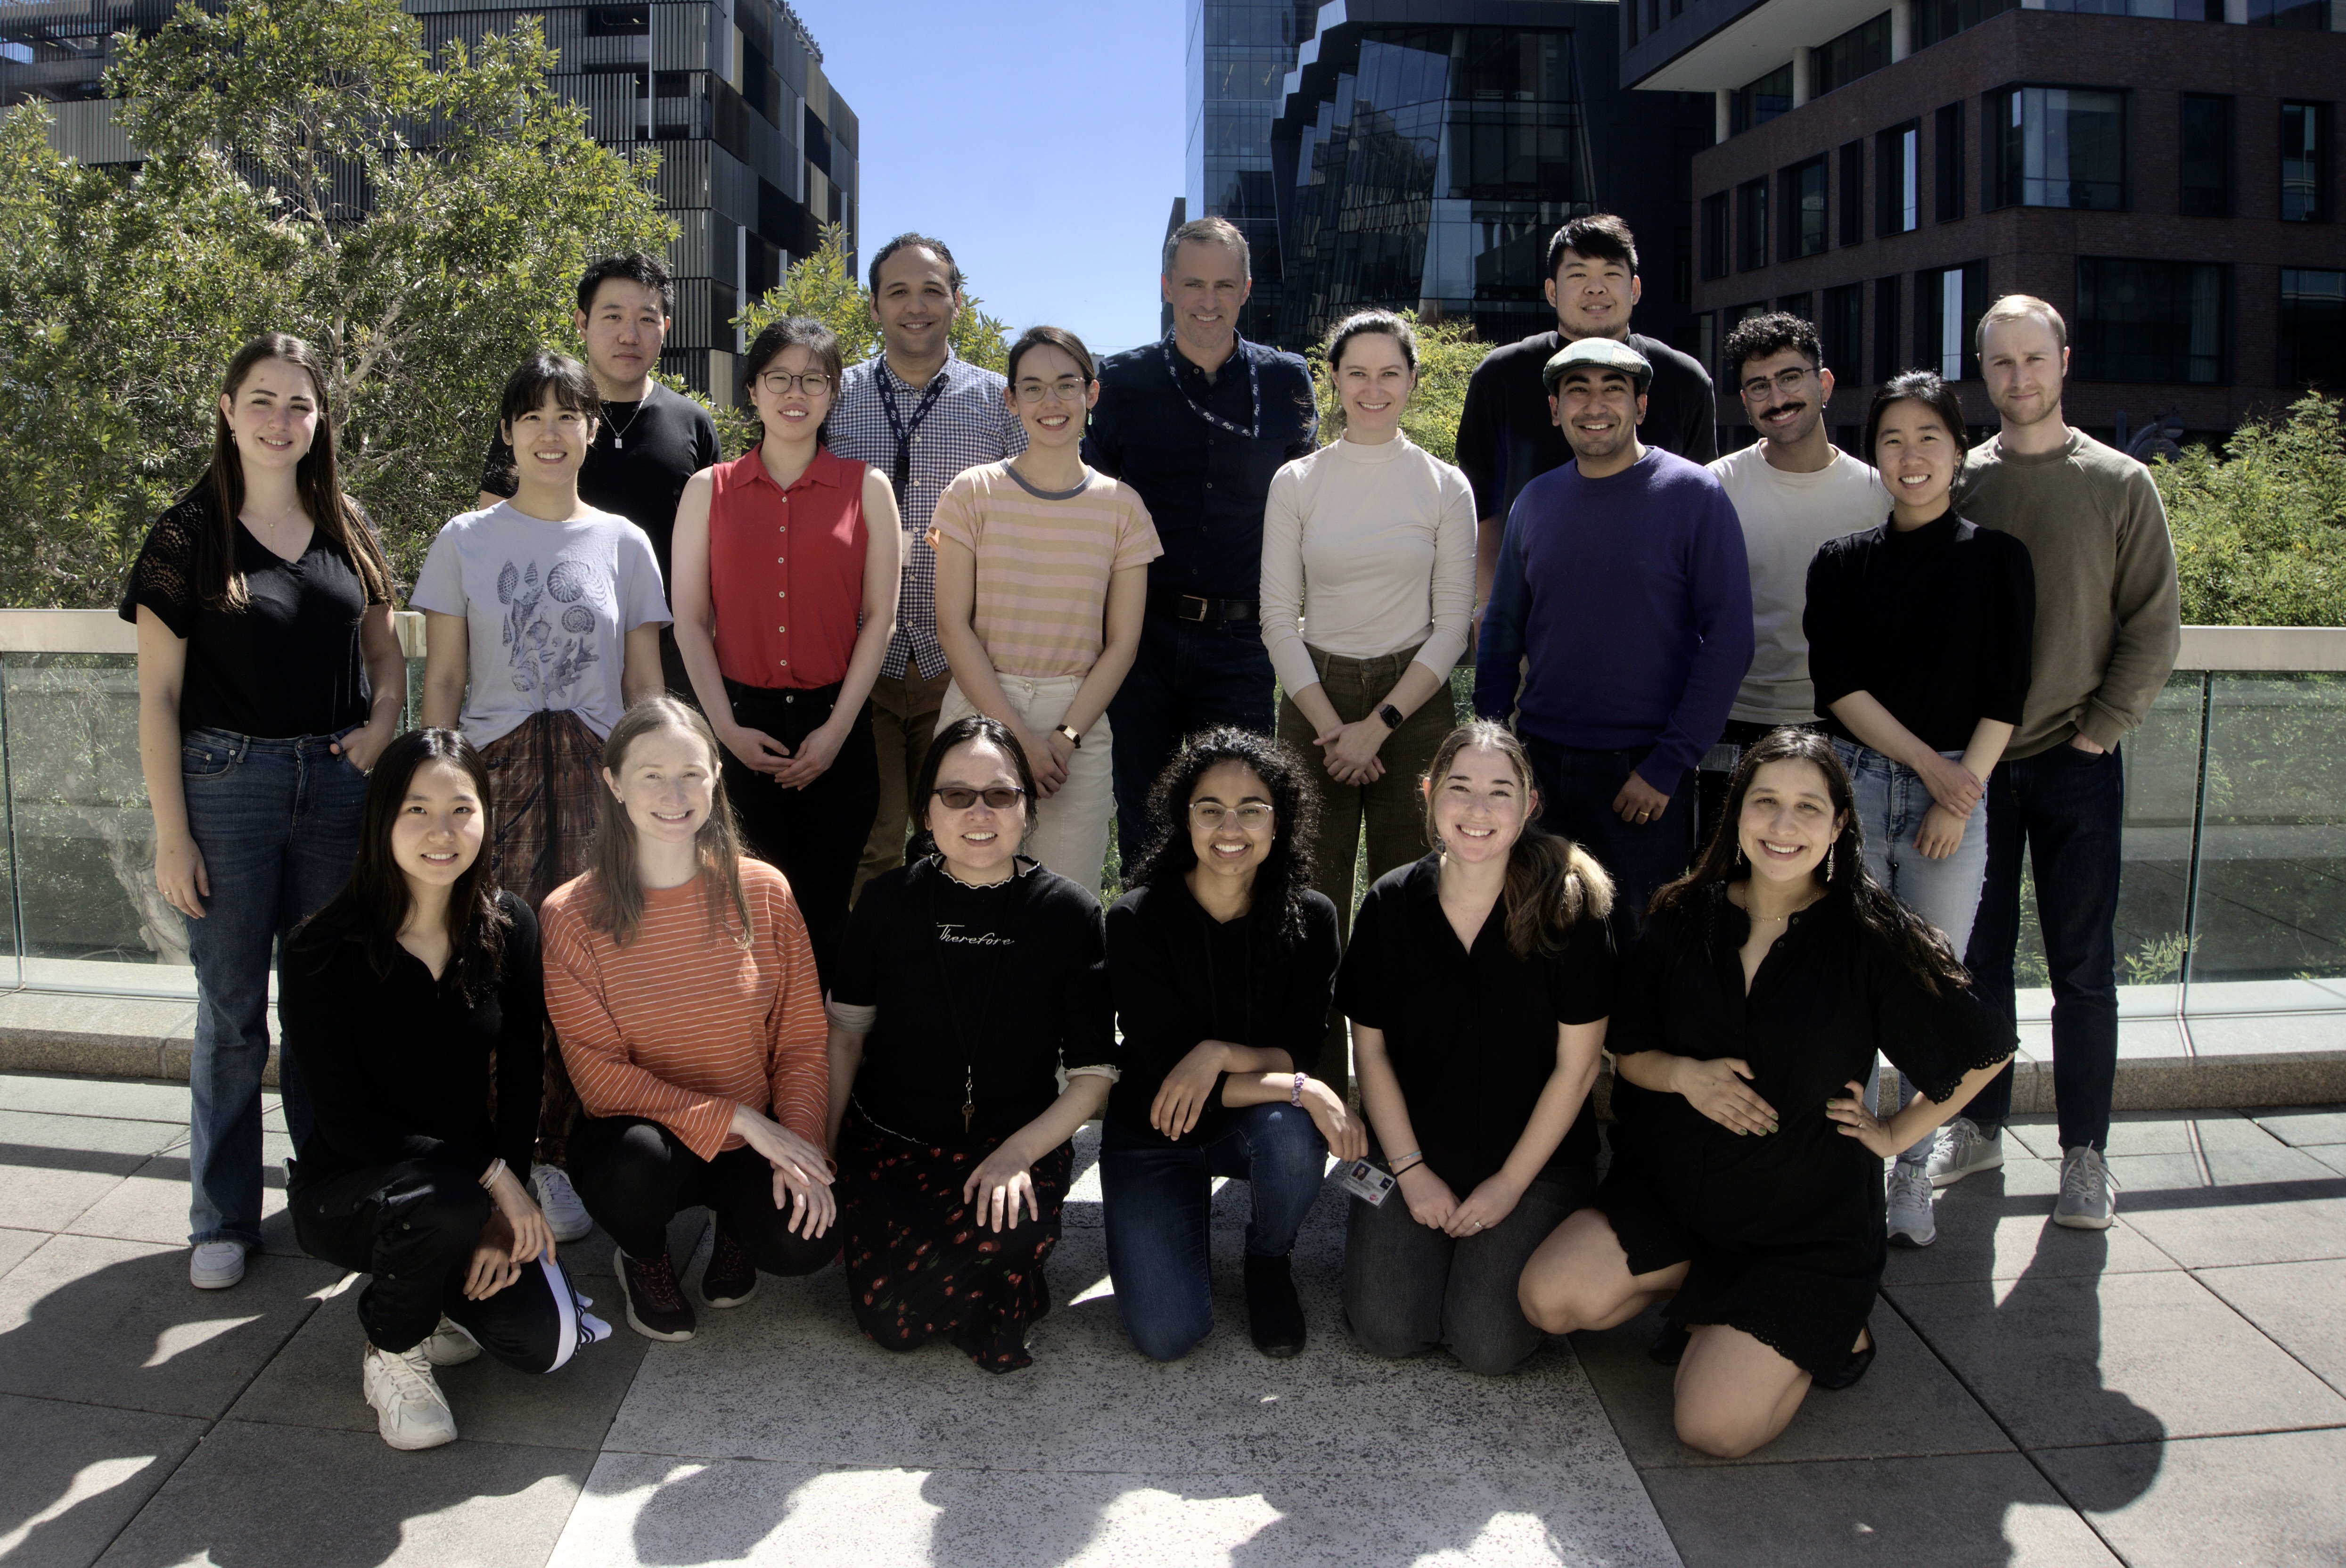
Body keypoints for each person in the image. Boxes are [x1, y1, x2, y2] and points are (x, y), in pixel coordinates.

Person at [1517, 730, 2011, 1458]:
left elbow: (1986, 1049)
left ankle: (1834, 1325)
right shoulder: (1684, 914)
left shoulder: (1867, 934)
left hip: (1802, 1228)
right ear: (1736, 813)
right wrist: (1688, 1075)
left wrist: (1894, 1134)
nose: (1784, 826)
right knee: (1548, 1298)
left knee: (1711, 1427)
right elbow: (1629, 1051)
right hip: (1677, 1197)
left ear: (1839, 824)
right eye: (1766, 803)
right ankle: (1708, 1296)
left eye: (1808, 808)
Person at [123, 332, 405, 1291]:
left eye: (300, 405)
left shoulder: (345, 521)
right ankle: (224, 1216)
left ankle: (331, 1197)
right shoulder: (184, 535)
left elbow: (388, 652)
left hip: (336, 786)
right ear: (227, 410)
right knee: (234, 1011)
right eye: (263, 400)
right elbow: (157, 697)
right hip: (226, 789)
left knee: (328, 1003)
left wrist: (383, 726)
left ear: (319, 422)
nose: (282, 420)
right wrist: (172, 832)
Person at [282, 728, 607, 1451]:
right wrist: (495, 1181)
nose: (442, 831)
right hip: (353, 1187)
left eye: (461, 808)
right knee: (444, 1203)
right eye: (417, 809)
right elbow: (347, 1125)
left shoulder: (508, 924)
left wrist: (506, 1204)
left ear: (486, 817)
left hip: (465, 1191)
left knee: (545, 1341)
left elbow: (525, 1078)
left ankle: (436, 1295)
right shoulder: (317, 948)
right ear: (381, 821)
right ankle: (391, 1345)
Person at [1933, 296, 2182, 1229]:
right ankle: (1980, 1126)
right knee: (1977, 960)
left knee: (2081, 965)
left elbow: (2152, 624)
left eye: (2032, 359)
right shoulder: (1962, 483)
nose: (2018, 378)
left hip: (2079, 762)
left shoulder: (2119, 483)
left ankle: (2085, 1153)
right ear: (1983, 372)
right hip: (1977, 771)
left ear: (2062, 361)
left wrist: (2101, 727)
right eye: (2000, 364)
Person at [418, 351, 673, 1245]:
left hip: (599, 777)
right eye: (532, 417)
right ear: (507, 432)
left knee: (590, 961)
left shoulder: (624, 542)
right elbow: (443, 678)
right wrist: (433, 798)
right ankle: (496, 1153)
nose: (551, 433)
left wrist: (663, 792)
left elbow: (644, 681)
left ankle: (570, 1153)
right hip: (494, 775)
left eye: (569, 416)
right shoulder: (462, 540)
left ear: (591, 430)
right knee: (493, 959)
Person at [1805, 371, 2035, 1248]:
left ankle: (1910, 1168)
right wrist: (1926, 772)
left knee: (1933, 983)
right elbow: (1839, 690)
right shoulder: (1841, 563)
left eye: (1927, 437)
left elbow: (2004, 692)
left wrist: (1957, 790)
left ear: (1956, 449)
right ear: (1876, 452)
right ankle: (1845, 1165)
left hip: (1959, 793)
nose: (1910, 456)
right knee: (1849, 979)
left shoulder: (1997, 558)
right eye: (1893, 439)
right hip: (1856, 785)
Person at [541, 698, 838, 1343]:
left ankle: (736, 1227)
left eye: (691, 773)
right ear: (614, 781)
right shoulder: (571, 913)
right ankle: (644, 1255)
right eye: (651, 774)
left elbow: (802, 1044)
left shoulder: (763, 890)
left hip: (750, 1140)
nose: (674, 793)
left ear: (715, 778)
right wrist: (739, 1118)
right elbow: (600, 1080)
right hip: (646, 1141)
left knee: (805, 1241)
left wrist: (800, 1148)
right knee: (631, 1167)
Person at [824, 716, 1116, 1372]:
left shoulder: (1068, 914)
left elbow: (1094, 1076)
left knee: (1004, 1228)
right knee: (891, 1322)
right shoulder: (885, 903)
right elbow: (844, 1040)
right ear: (927, 812)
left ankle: (1004, 1267)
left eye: (1000, 794)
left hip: (1011, 1145)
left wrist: (1017, 1153)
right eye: (956, 795)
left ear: (1026, 807)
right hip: (890, 1140)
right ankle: (987, 1281)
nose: (978, 811)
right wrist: (824, 1144)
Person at [1341, 721, 1616, 1376]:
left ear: (1529, 805)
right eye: (1459, 787)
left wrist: (1506, 1187)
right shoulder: (1389, 903)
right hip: (1413, 1149)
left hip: (1533, 1163)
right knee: (1387, 1329)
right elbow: (1369, 1053)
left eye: (1499, 791)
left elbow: (1577, 1072)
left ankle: (1496, 1252)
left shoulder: (1568, 908)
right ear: (1430, 795)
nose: (1477, 810)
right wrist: (1408, 1170)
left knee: (1486, 1341)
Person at [1473, 337, 1754, 949]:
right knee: (1537, 940)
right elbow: (1499, 632)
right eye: (1577, 389)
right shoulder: (1536, 501)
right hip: (1539, 768)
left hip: (1644, 780)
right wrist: (1498, 754)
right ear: (1554, 410)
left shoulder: (1691, 495)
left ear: (1641, 405)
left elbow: (1729, 638)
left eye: (1612, 389)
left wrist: (1667, 764)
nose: (1594, 404)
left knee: (1636, 951)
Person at [1100, 729, 1362, 1362]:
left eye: (1251, 808)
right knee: (1167, 1334)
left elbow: (1294, 1049)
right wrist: (1300, 1085)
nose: (1230, 826)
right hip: (1153, 1125)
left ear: (1279, 820)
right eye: (1209, 807)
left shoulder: (1313, 917)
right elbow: (1169, 1075)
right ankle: (1173, 1209)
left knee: (1290, 1136)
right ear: (1182, 818)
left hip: (1246, 1121)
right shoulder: (1136, 918)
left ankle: (1267, 1257)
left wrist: (1219, 1053)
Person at [669, 317, 902, 983]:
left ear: (833, 394)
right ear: (752, 389)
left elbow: (879, 618)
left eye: (814, 379)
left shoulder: (866, 489)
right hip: (739, 727)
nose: (794, 392)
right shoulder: (706, 490)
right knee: (741, 918)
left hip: (838, 729)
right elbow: (689, 620)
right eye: (779, 377)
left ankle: (824, 1080)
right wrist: (726, 732)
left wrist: (835, 731)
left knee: (827, 920)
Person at [1086, 216, 1320, 863]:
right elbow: (1087, 503)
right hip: (1141, 639)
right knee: (1146, 820)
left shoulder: (1285, 381)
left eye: (1224, 284)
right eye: (1192, 283)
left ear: (1246, 289)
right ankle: (1149, 958)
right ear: (1166, 286)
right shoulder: (1121, 382)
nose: (1208, 300)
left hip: (1242, 642)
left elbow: (1313, 500)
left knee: (1240, 816)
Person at [1260, 309, 1475, 965]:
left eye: (1388, 373)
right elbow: (1276, 618)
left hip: (1412, 704)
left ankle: (1397, 1062)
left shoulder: (1445, 486)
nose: (1372, 388)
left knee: (1411, 894)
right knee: (1306, 900)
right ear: (1333, 378)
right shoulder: (1296, 482)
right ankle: (1309, 1065)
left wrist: (1376, 724)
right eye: (1356, 372)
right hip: (1311, 697)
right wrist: (1332, 729)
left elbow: (1450, 628)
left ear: (1412, 378)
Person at [827, 234, 1027, 895]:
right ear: (875, 305)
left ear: (957, 302)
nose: (917, 306)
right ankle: (862, 996)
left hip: (962, 662)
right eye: (899, 291)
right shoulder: (834, 397)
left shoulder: (1002, 401)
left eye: (933, 290)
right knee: (872, 838)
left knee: (962, 840)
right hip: (861, 657)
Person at [933, 326, 1160, 887]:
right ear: (1010, 400)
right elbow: (952, 626)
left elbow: (1122, 643)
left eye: (1066, 385)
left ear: (1092, 394)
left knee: (1066, 907)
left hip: (1075, 730)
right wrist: (1013, 738)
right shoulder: (971, 492)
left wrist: (1060, 741)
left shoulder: (1123, 508)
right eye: (1032, 388)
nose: (1050, 402)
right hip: (978, 710)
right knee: (966, 895)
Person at [477, 253, 721, 698]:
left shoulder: (693, 423)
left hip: (672, 650)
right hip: (560, 643)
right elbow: (496, 534)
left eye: (647, 319)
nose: (629, 334)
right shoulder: (541, 423)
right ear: (582, 323)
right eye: (612, 316)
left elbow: (715, 548)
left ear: (666, 328)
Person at [1455, 214, 1717, 614]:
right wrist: (1493, 605)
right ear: (1551, 291)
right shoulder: (1501, 376)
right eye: (1578, 275)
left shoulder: (1685, 380)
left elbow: (1700, 513)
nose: (1596, 287)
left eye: (1611, 273)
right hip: (1531, 615)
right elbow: (1481, 505)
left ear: (1635, 289)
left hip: (1659, 617)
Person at [1699, 312, 1892, 842]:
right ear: (1744, 401)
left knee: (1831, 889)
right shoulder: (1714, 489)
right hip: (1733, 720)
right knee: (1726, 883)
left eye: (1790, 378)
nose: (1777, 397)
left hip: (1847, 728)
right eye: (1759, 386)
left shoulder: (1878, 495)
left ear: (1823, 383)